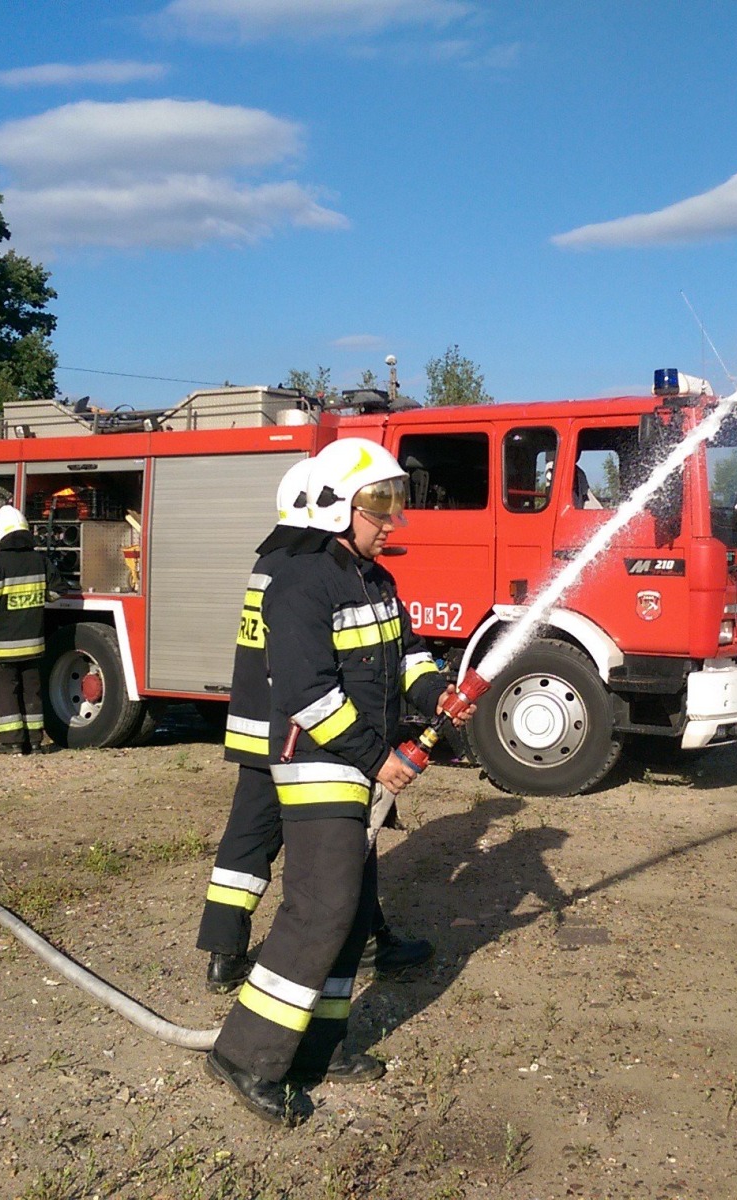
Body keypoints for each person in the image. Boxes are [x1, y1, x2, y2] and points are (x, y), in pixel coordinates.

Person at [206, 437, 471, 1127]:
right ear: (332, 506)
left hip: (356, 761)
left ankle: (323, 1044)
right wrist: (375, 755)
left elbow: (407, 654)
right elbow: (306, 693)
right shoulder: (300, 579)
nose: (392, 521)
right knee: (320, 907)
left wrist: (438, 691)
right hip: (317, 758)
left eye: (396, 505)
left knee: (352, 911)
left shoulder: (375, 580)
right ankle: (246, 1052)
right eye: (379, 506)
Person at [196, 461, 437, 995]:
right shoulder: (308, 569)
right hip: (300, 728)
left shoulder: (274, 559)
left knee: (250, 837)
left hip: (263, 722)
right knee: (344, 839)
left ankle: (224, 950)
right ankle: (367, 941)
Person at [0, 505, 56, 755]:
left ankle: (11, 742)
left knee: (5, 691)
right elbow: (58, 591)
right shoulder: (41, 560)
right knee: (32, 691)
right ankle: (36, 742)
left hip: (3, 644)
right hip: (33, 643)